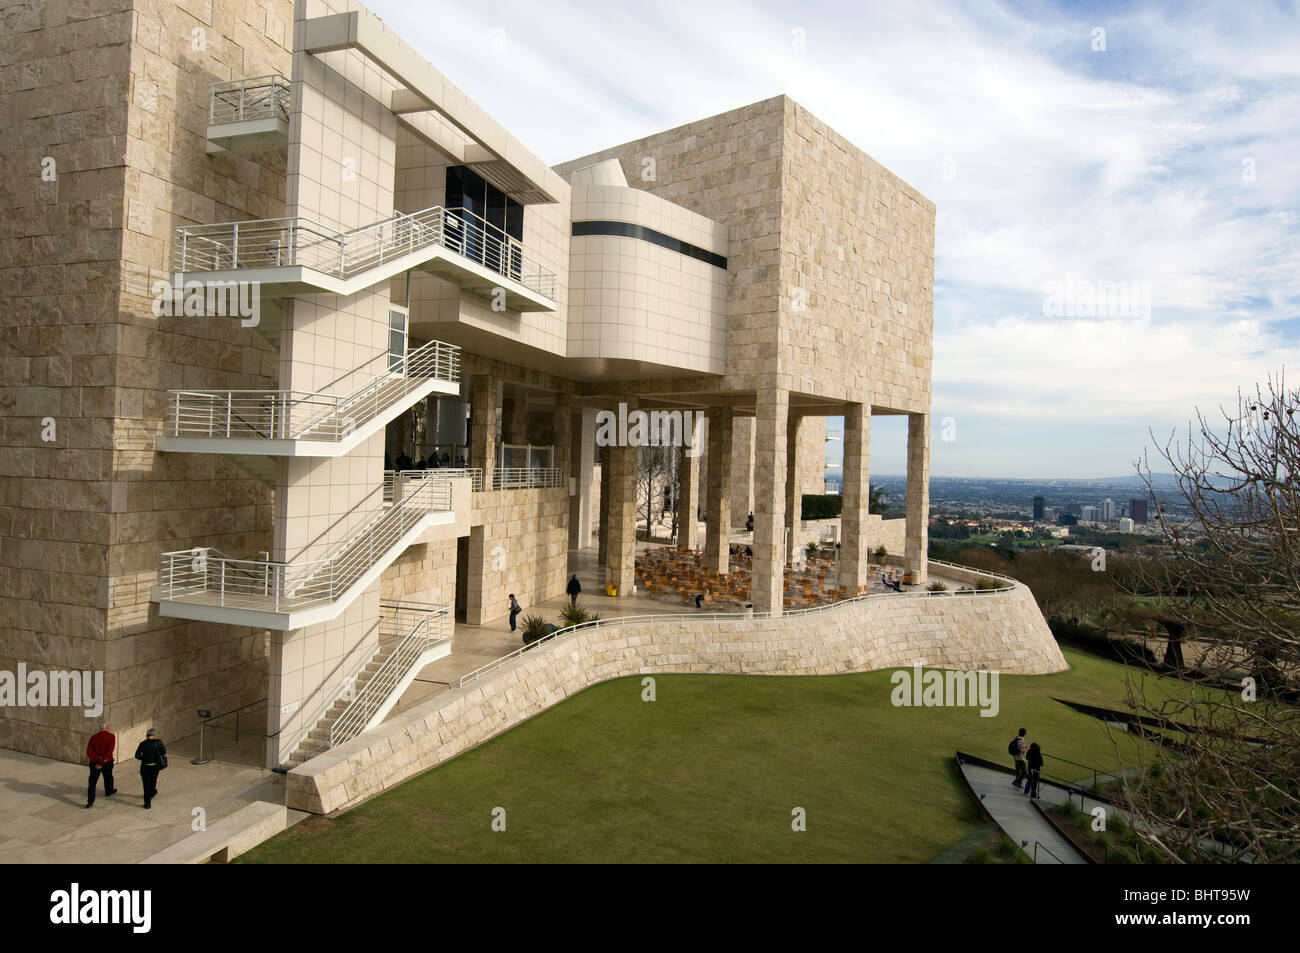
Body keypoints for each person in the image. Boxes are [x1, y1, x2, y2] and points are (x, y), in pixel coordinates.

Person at [85, 722, 117, 808]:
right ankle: (109, 791)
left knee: (92, 782)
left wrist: (98, 760)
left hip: (94, 763)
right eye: (109, 725)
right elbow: (109, 751)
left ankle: (90, 802)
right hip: (107, 763)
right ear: (107, 727)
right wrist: (101, 762)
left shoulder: (93, 737)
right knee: (108, 777)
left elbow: (89, 752)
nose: (110, 726)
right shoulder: (111, 737)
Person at [134, 728, 167, 810]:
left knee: (146, 784)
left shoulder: (142, 744)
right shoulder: (158, 742)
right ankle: (152, 792)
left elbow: (137, 755)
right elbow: (163, 752)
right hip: (155, 766)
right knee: (153, 780)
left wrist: (144, 758)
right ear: (154, 735)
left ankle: (147, 803)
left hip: (145, 766)